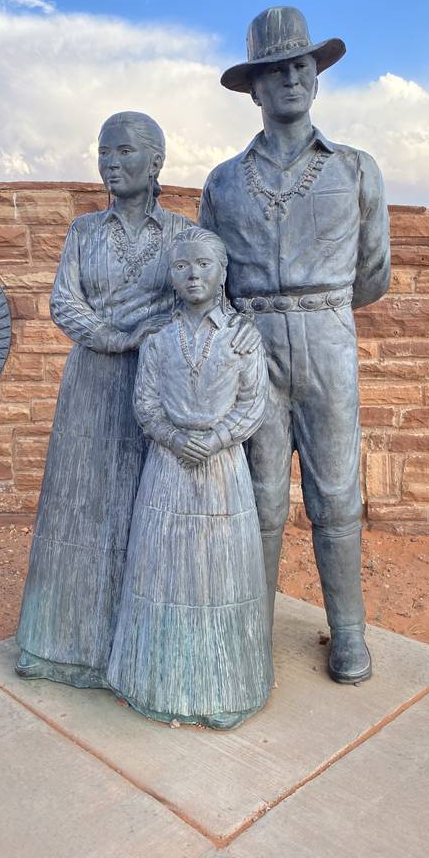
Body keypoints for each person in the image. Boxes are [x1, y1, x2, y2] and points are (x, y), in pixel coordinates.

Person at [199, 6, 391, 684]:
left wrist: (320, 310)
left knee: (336, 494)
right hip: (252, 343)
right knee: (260, 497)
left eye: (300, 66)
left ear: (317, 76)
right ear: (253, 88)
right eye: (274, 70)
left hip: (327, 338)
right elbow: (209, 276)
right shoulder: (224, 181)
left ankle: (349, 636)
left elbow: (373, 274)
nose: (289, 79)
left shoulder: (356, 170)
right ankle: (250, 633)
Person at [15, 112, 192, 687]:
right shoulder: (83, 231)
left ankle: (142, 653)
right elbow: (64, 301)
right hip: (91, 380)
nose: (110, 164)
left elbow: (195, 300)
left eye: (123, 152)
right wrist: (116, 335)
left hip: (157, 382)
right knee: (82, 505)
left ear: (156, 162)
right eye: (104, 153)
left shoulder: (182, 233)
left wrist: (154, 335)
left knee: (149, 507)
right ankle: (65, 645)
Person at [107, 227, 272, 729]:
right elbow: (145, 403)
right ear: (171, 276)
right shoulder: (159, 339)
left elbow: (254, 403)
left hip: (223, 470)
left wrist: (218, 438)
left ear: (223, 273)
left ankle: (227, 687)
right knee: (163, 568)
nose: (192, 274)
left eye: (203, 264)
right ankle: (156, 682)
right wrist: (174, 438)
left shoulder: (243, 337)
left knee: (221, 571)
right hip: (168, 467)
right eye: (181, 266)